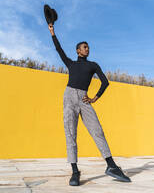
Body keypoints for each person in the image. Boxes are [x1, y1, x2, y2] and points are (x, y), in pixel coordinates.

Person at [48, 23, 131, 186]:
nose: (87, 49)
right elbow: (59, 49)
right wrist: (52, 32)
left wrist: (94, 98)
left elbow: (105, 82)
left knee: (97, 130)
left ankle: (111, 166)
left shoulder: (93, 65)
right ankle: (75, 171)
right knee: (70, 133)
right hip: (69, 96)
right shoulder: (71, 64)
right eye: (84, 47)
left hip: (84, 99)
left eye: (88, 47)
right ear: (78, 51)